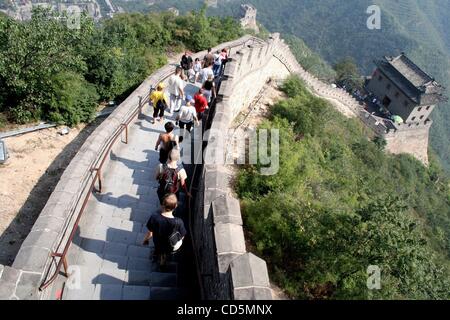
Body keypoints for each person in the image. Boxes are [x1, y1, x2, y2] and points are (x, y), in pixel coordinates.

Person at [142, 194, 187, 268]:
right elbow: (182, 236)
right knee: (166, 252)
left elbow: (150, 233)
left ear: (162, 205)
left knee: (159, 250)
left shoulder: (154, 217)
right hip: (170, 244)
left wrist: (145, 240)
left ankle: (159, 257)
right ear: (175, 206)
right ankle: (163, 262)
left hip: (158, 242)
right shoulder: (178, 221)